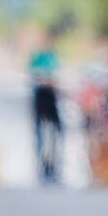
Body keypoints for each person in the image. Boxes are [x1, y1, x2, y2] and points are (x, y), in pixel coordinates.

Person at [29, 27, 62, 184]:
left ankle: (54, 164)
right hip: (41, 96)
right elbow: (34, 77)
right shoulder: (37, 57)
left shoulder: (53, 57)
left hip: (51, 96)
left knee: (56, 131)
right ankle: (42, 164)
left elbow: (56, 78)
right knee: (40, 131)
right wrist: (45, 80)